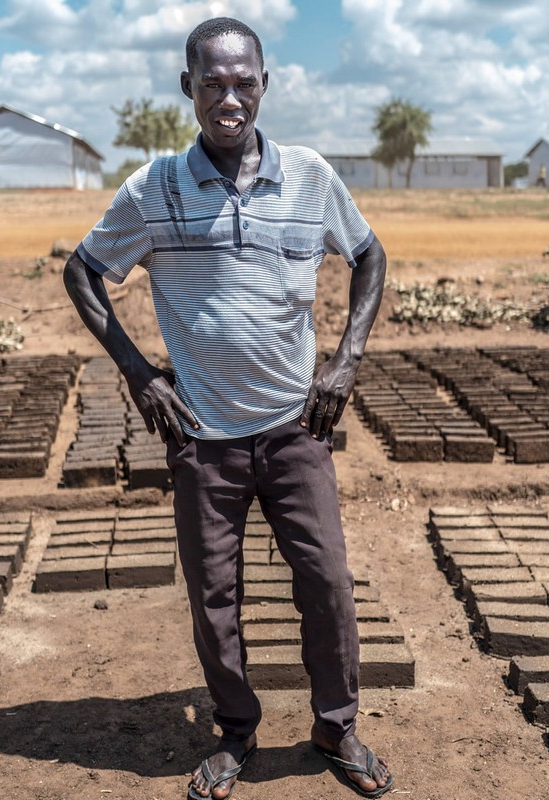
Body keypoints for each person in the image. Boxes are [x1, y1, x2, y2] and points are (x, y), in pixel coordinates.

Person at [63, 16, 393, 800]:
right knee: (215, 599)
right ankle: (236, 732)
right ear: (189, 88)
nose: (229, 97)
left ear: (265, 84)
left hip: (294, 430)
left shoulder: (309, 177)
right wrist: (141, 374)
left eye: (244, 81)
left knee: (328, 583)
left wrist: (344, 362)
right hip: (203, 438)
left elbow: (371, 255)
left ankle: (335, 726)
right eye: (212, 82)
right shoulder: (153, 190)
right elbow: (83, 272)